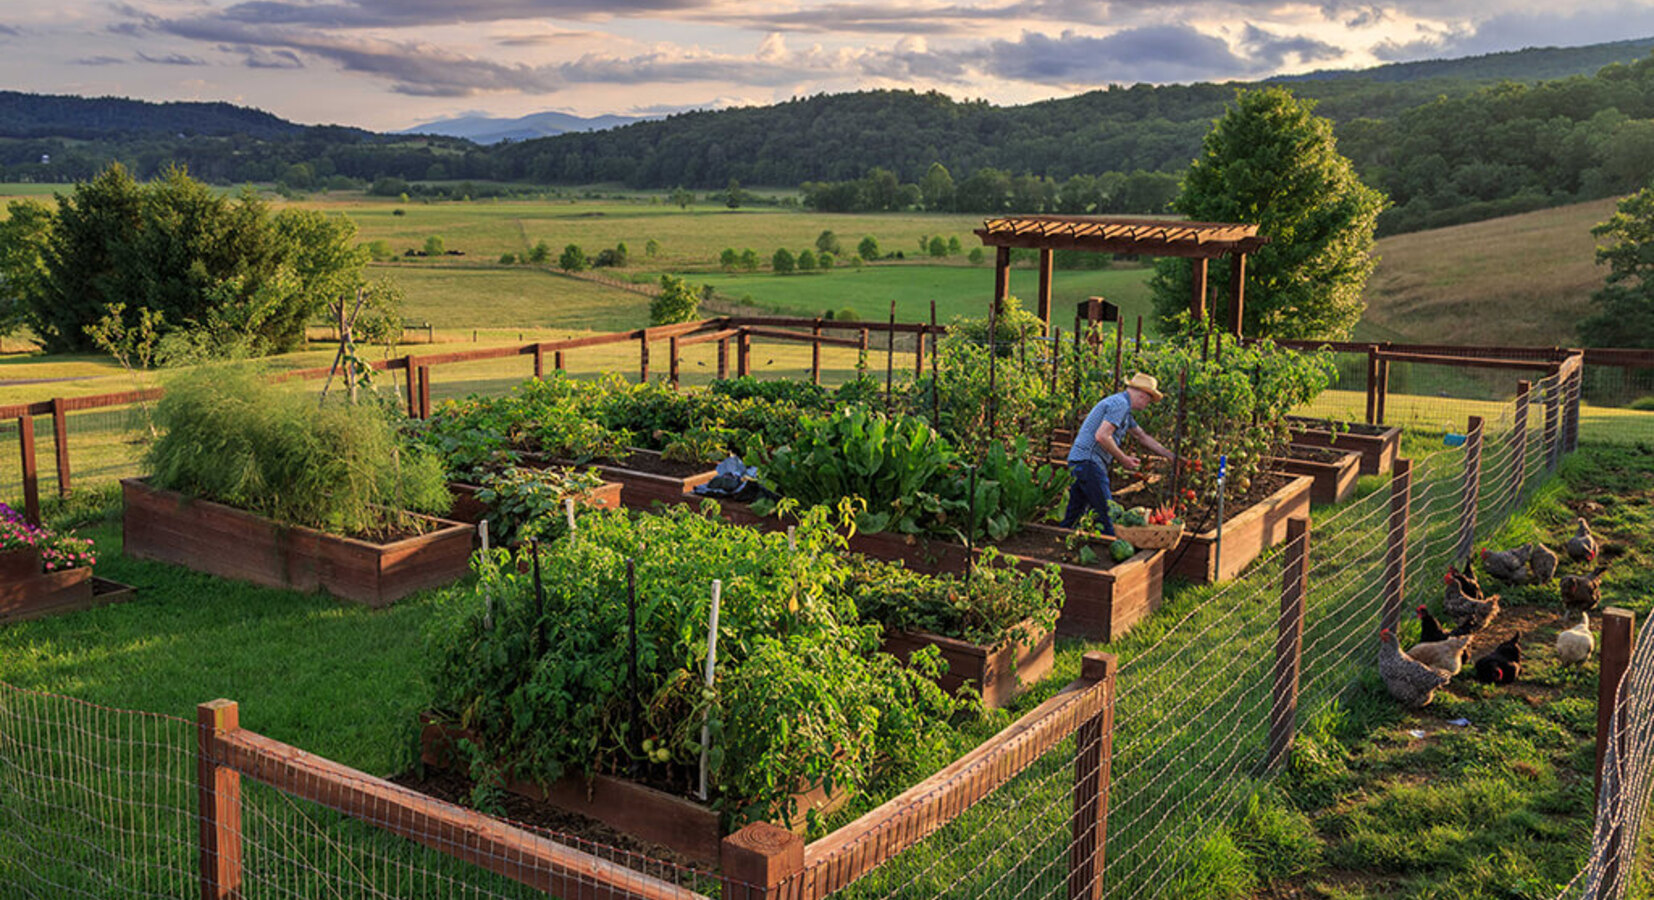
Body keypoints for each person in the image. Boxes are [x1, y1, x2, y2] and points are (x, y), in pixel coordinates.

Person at [1059, 372, 1176, 534]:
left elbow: (1142, 436)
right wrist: (1124, 459)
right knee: (1108, 514)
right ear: (1143, 395)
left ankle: (1061, 545)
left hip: (1079, 461)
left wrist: (1170, 455)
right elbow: (1101, 436)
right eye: (1149, 400)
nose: (1148, 404)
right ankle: (1113, 552)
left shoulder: (1123, 408)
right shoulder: (1120, 404)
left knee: (1075, 514)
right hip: (1089, 462)